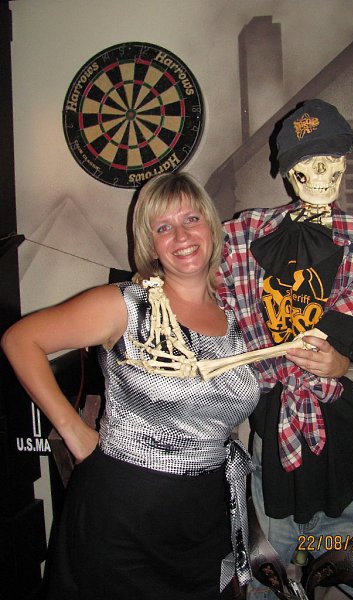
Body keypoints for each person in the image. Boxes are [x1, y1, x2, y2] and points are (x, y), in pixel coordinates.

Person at [1, 172, 262, 600]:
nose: (181, 235)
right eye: (163, 227)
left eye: (191, 219)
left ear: (212, 229)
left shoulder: (238, 320)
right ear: (151, 244)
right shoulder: (125, 305)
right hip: (122, 515)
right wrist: (74, 431)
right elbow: (20, 340)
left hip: (204, 516)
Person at [219, 100, 353, 598]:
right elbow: (205, 287)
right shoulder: (244, 235)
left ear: (345, 162)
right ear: (289, 173)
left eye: (332, 161)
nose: (322, 176)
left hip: (337, 434)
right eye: (308, 165)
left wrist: (339, 358)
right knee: (262, 577)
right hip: (271, 437)